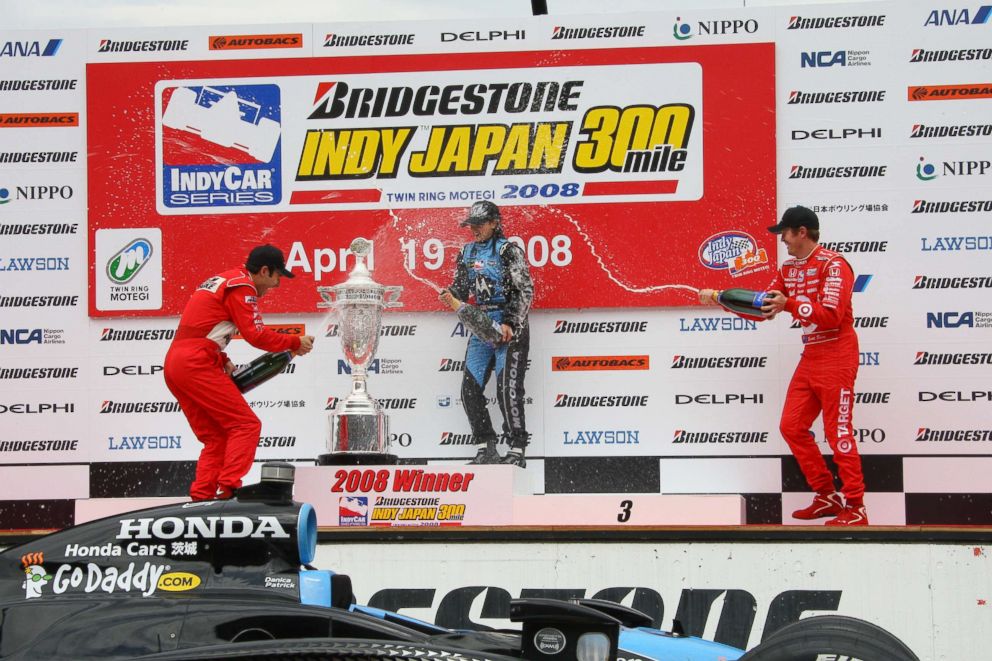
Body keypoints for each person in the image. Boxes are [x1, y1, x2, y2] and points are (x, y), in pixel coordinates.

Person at [699, 205, 868, 525]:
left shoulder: (835, 265)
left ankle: (856, 506)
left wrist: (789, 303)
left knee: (838, 432)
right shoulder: (789, 268)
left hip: (838, 352)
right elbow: (766, 307)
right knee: (791, 426)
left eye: (785, 234)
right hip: (812, 355)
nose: (783, 241)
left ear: (801, 232)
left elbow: (831, 315)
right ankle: (827, 496)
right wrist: (722, 300)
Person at [164, 244, 314, 501]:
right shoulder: (242, 286)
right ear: (264, 271)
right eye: (277, 277)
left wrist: (221, 357)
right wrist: (294, 342)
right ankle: (228, 490)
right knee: (245, 425)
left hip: (177, 363)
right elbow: (255, 335)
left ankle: (202, 498)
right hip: (196, 363)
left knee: (216, 438)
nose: (276, 285)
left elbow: (198, 328)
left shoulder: (225, 279)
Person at [439, 201, 534, 467]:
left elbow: (525, 290)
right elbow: (461, 287)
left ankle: (516, 449)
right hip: (482, 324)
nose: (475, 230)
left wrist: (511, 322)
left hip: (510, 325)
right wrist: (451, 295)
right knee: (469, 389)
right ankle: (486, 446)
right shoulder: (466, 252)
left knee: (508, 390)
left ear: (494, 223)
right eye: (472, 225)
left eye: (480, 224)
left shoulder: (508, 250)